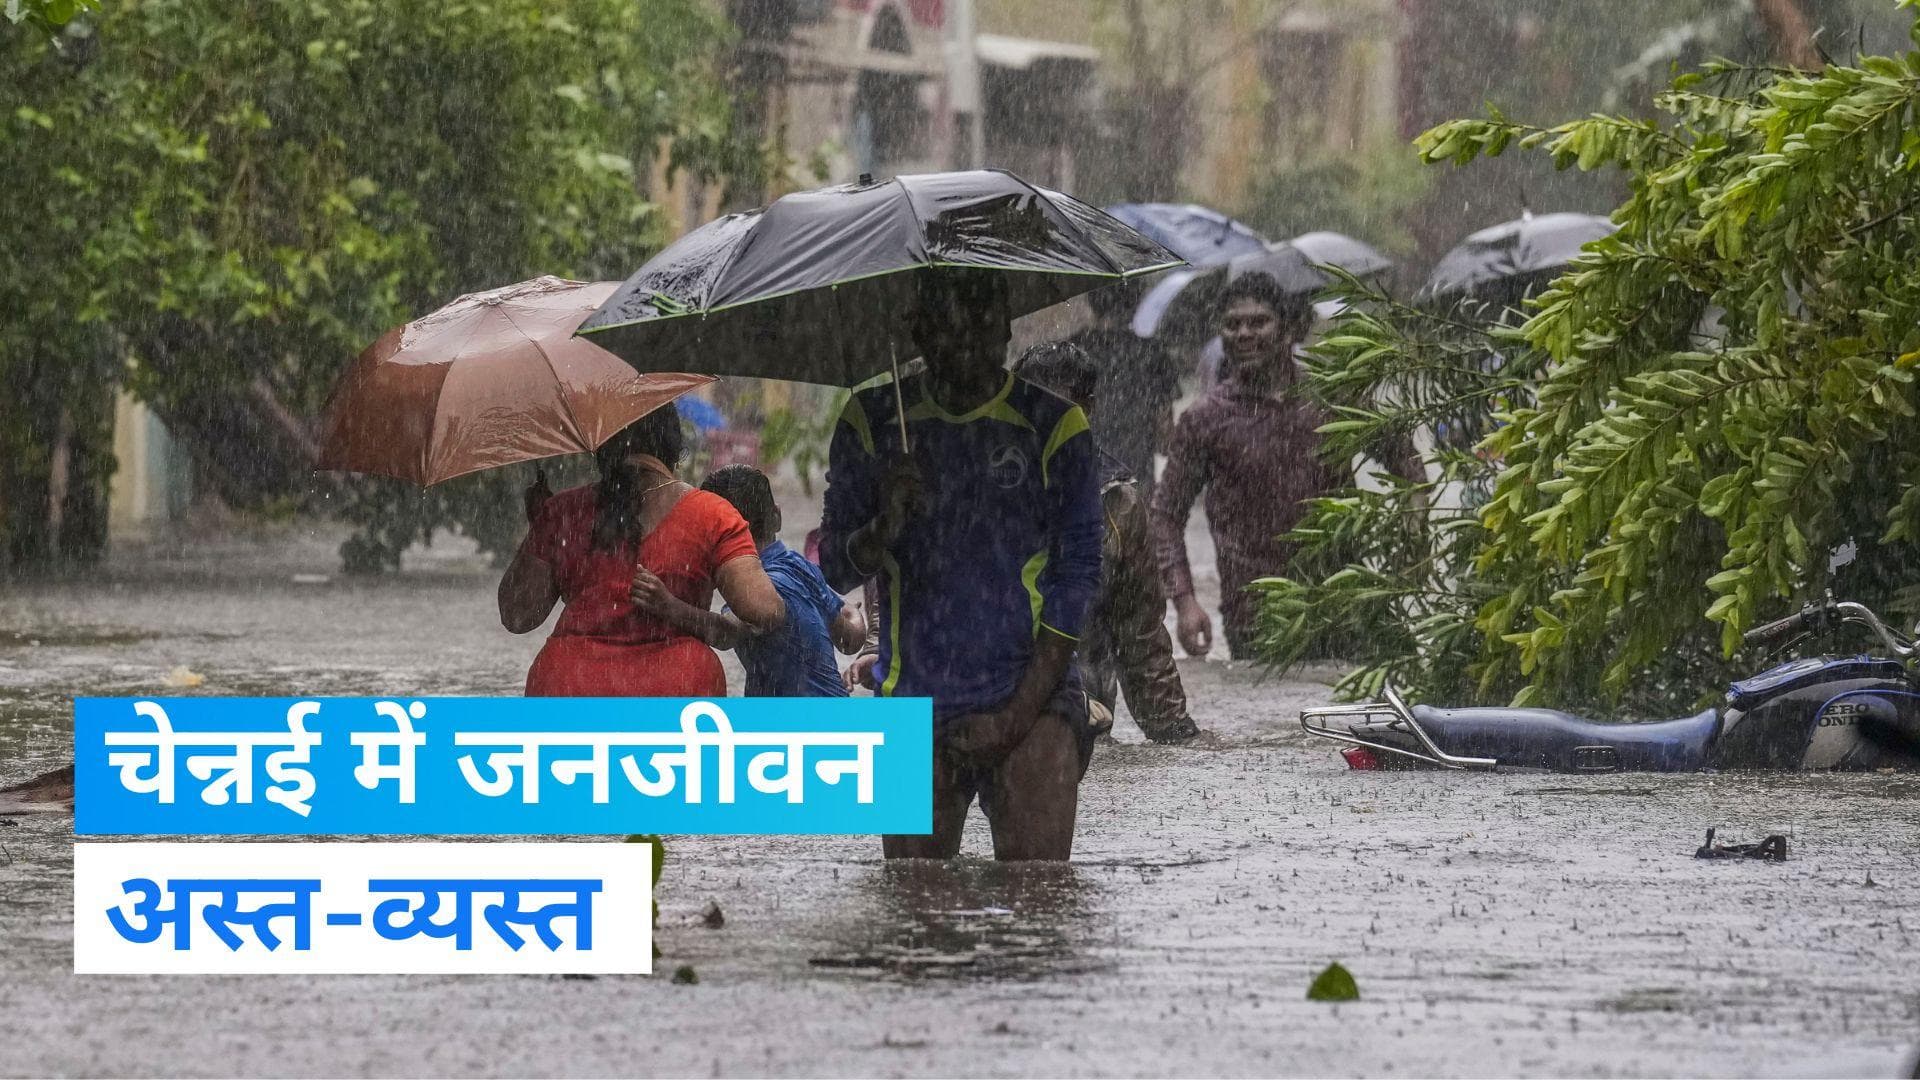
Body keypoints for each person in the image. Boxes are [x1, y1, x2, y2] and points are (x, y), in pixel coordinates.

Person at [817, 269, 1104, 862]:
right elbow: (834, 568)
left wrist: (1015, 716)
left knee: (1038, 905)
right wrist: (883, 526)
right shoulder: (872, 422)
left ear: (1005, 326)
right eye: (947, 329)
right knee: (913, 910)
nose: (966, 344)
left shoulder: (1053, 425)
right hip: (910, 700)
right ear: (917, 332)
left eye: (981, 325)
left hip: (1034, 700)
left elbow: (1076, 581)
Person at [498, 407, 786, 696]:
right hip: (676, 688)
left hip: (569, 687)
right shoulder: (713, 514)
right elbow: (765, 610)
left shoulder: (564, 512)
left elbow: (518, 616)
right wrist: (697, 617)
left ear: (602, 447)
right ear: (675, 447)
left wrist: (541, 528)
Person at [1013, 340, 1200, 744]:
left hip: (1081, 718)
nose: (1043, 419)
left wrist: (1175, 732)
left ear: (1088, 407)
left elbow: (1139, 631)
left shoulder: (1117, 502)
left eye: (1059, 407)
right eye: (1030, 404)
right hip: (987, 703)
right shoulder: (978, 485)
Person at [1151, 272, 1345, 661]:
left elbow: (1401, 456)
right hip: (1255, 615)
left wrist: (1413, 536)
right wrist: (1185, 603)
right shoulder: (1205, 420)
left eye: (1258, 321)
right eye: (1233, 324)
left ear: (1287, 329)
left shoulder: (1330, 398)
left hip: (1342, 603)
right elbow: (1165, 516)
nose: (1243, 333)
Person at [699, 463, 865, 697]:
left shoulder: (760, 587)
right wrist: (851, 611)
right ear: (776, 517)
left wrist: (669, 607)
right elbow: (850, 640)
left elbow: (724, 632)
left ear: (711, 535)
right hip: (832, 714)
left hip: (796, 725)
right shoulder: (800, 566)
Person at [1068, 280, 1181, 499]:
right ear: (1137, 302)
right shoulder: (1152, 354)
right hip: (1135, 489)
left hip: (1082, 486)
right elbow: (1165, 439)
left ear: (1092, 301)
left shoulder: (1072, 352)